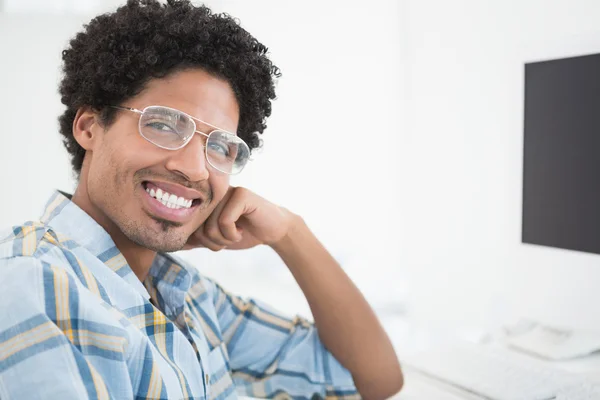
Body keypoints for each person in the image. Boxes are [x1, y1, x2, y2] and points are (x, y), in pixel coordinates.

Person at [0, 1, 403, 399]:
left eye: (221, 146)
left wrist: (289, 232)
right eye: (160, 124)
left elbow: (370, 379)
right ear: (89, 127)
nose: (194, 169)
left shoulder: (185, 294)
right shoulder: (32, 285)